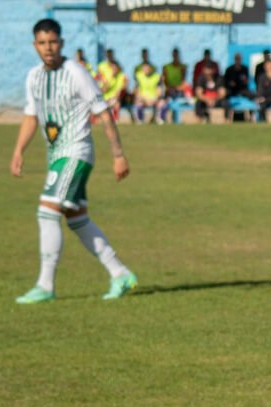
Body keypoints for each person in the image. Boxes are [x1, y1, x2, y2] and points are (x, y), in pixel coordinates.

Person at [9, 19, 137, 304]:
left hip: (75, 153)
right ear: (35, 46)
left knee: (47, 212)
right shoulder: (33, 77)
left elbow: (103, 113)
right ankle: (120, 274)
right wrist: (19, 150)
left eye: (53, 42)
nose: (48, 48)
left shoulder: (76, 72)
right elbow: (31, 116)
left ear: (62, 43)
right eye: (42, 43)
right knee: (77, 219)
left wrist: (118, 154)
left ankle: (45, 285)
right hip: (56, 156)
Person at [95, 50, 127, 122]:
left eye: (115, 67)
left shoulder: (120, 77)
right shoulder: (104, 72)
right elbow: (103, 89)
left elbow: (125, 84)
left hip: (113, 98)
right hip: (104, 98)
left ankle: (115, 119)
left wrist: (119, 92)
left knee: (116, 103)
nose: (114, 69)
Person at [222, 52, 253, 121]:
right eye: (237, 59)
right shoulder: (229, 70)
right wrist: (230, 84)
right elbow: (225, 81)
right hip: (232, 90)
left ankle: (252, 116)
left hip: (242, 90)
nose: (238, 60)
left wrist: (245, 81)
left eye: (239, 59)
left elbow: (247, 81)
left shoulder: (244, 69)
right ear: (234, 59)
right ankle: (227, 117)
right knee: (226, 98)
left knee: (251, 95)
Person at [133, 56, 164, 124]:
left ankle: (159, 120)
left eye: (147, 68)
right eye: (144, 68)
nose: (146, 69)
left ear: (150, 68)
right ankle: (140, 120)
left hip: (153, 98)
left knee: (162, 103)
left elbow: (159, 90)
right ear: (142, 69)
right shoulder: (139, 76)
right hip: (143, 98)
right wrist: (143, 98)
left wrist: (155, 99)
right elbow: (136, 90)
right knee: (138, 103)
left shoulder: (156, 77)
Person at [162, 48, 190, 122]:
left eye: (176, 54)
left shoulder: (182, 67)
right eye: (174, 54)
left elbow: (183, 81)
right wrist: (169, 88)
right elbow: (164, 81)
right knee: (165, 101)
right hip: (169, 91)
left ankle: (177, 120)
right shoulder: (166, 67)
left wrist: (176, 88)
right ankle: (162, 118)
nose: (175, 56)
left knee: (177, 101)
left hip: (178, 91)